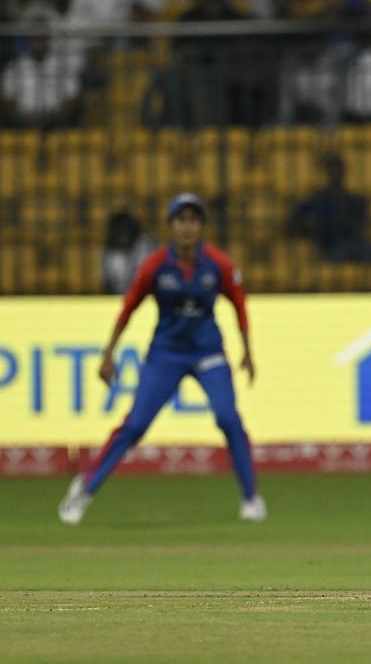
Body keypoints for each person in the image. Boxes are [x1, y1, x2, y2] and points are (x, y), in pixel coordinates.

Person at [58, 193, 263, 525]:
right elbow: (128, 309)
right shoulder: (154, 266)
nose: (187, 227)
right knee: (135, 426)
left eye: (193, 220)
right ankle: (84, 489)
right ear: (171, 226)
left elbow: (239, 305)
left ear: (201, 227)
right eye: (181, 220)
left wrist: (247, 352)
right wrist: (108, 354)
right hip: (166, 353)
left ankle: (251, 497)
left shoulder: (218, 264)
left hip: (207, 351)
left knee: (228, 419)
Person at [288, 154, 371, 262]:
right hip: (331, 250)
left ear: (343, 173)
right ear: (325, 174)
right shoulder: (316, 201)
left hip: (357, 248)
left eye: (338, 171)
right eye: (331, 171)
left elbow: (361, 228)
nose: (335, 175)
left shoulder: (356, 201)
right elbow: (292, 224)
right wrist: (310, 226)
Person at [101, 210, 157, 294]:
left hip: (145, 297)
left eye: (126, 229)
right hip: (117, 297)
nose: (123, 234)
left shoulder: (145, 245)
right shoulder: (109, 251)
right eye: (120, 229)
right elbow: (108, 282)